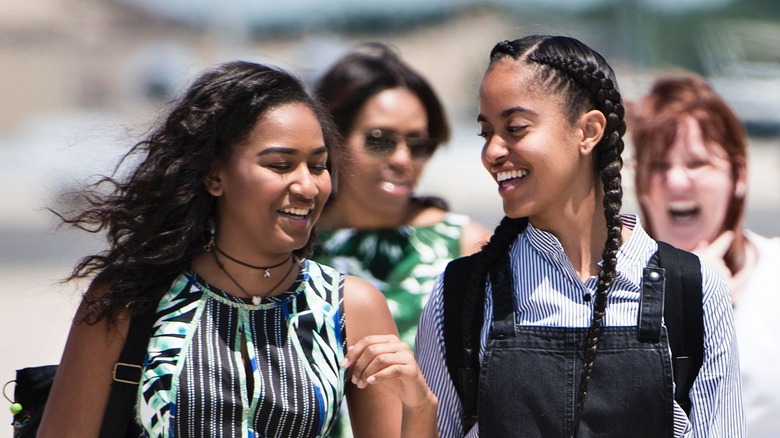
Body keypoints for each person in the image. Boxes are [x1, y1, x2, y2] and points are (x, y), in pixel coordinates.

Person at [37, 61, 437, 437]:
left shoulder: (351, 307)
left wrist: (420, 406)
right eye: (281, 164)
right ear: (215, 174)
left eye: (318, 166)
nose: (307, 185)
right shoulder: (129, 301)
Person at [415, 35, 745, 437]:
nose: (492, 152)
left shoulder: (692, 290)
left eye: (515, 128)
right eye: (486, 133)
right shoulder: (460, 295)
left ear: (588, 131)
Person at [312, 42, 492, 348]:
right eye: (380, 141)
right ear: (332, 137)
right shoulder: (290, 244)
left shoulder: (465, 246)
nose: (403, 160)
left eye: (419, 145)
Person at [629, 72, 780, 437]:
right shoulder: (609, 285)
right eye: (660, 166)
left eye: (697, 163)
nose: (677, 182)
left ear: (738, 172)